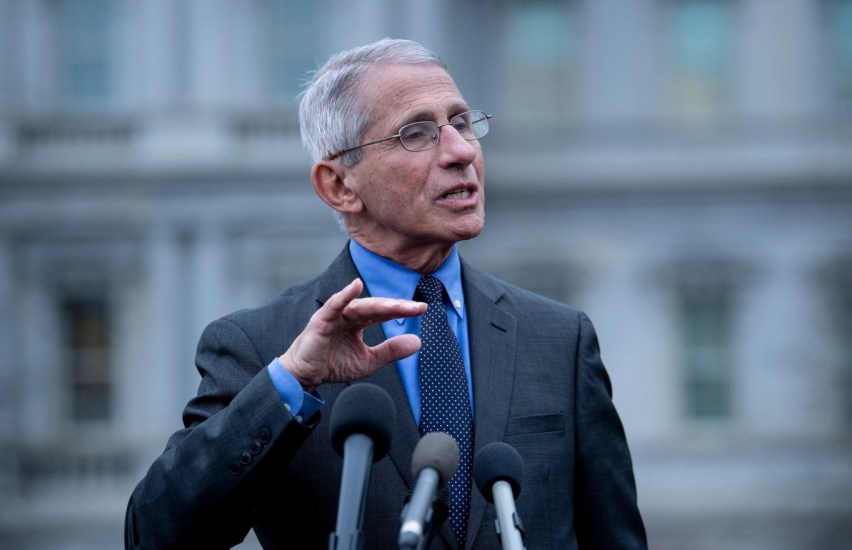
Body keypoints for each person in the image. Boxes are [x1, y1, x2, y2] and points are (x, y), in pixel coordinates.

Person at [125, 38, 647, 549]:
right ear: (339, 186)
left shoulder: (560, 340)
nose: (462, 152)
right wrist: (290, 381)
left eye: (462, 123)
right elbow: (154, 534)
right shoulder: (259, 347)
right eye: (417, 134)